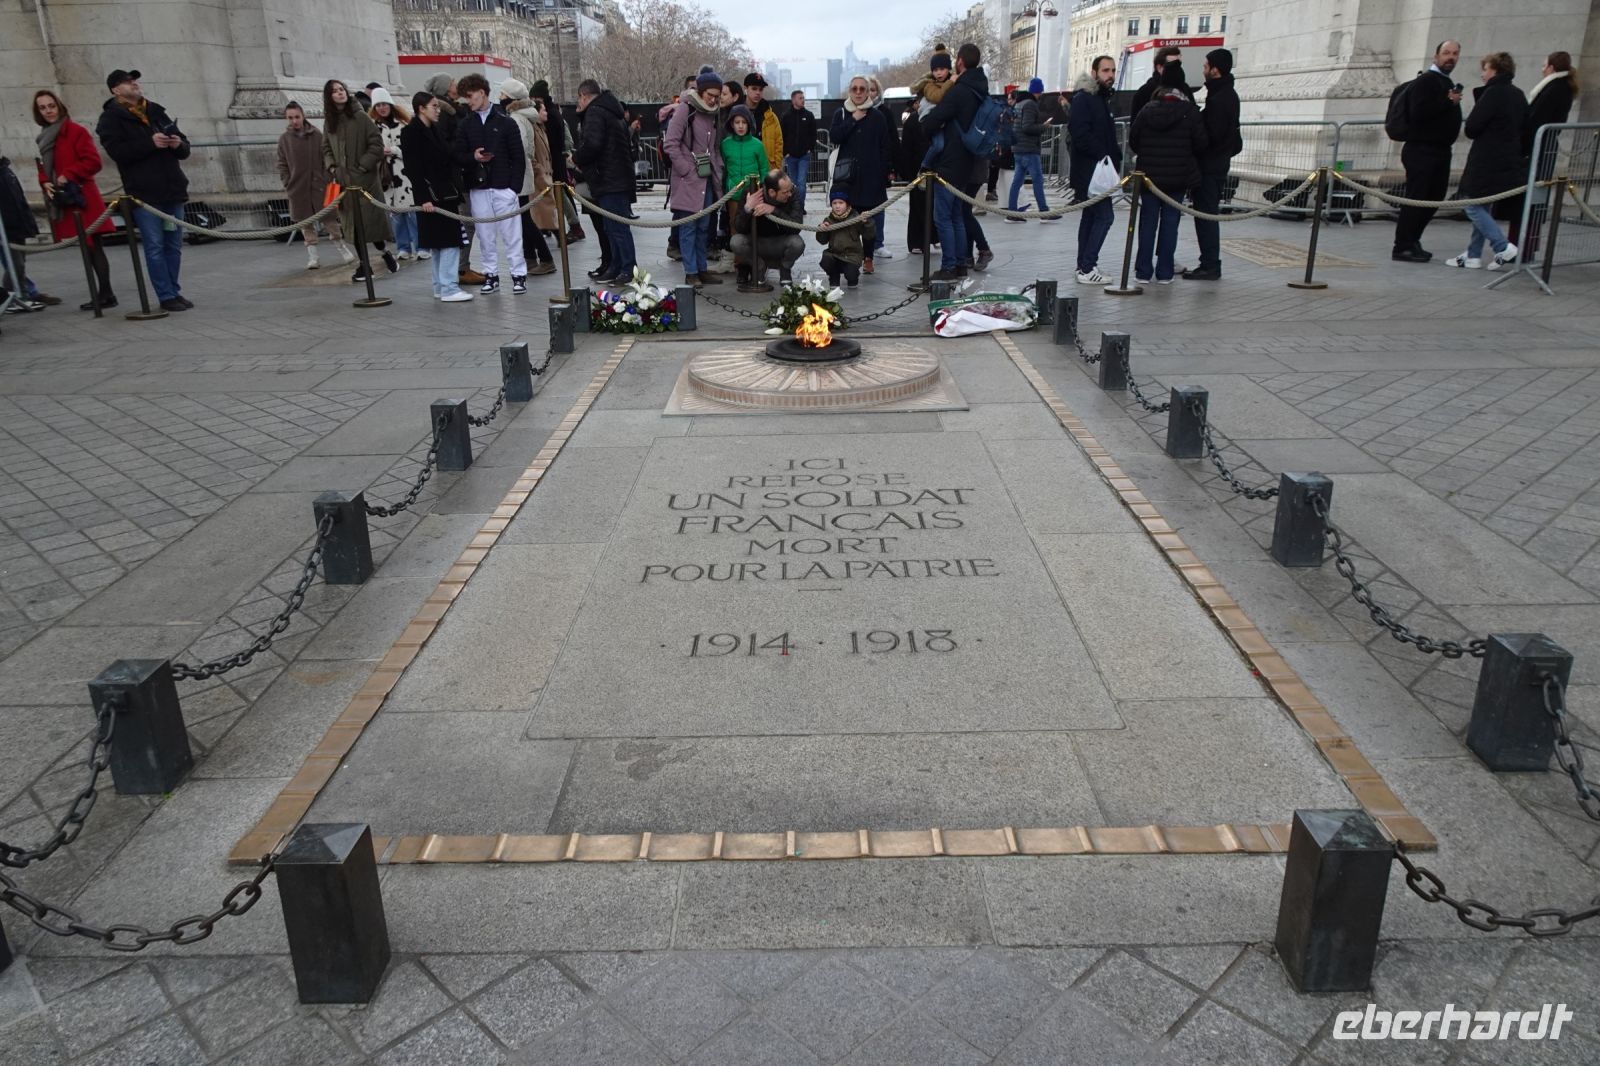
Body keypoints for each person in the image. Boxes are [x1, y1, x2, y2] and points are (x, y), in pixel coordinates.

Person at [95, 69, 192, 312]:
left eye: (135, 80)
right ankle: (165, 295)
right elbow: (118, 152)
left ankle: (174, 290)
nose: (134, 84)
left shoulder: (155, 110)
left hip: (172, 188)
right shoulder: (110, 119)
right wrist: (150, 143)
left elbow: (184, 146)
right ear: (116, 90)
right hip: (144, 194)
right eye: (128, 82)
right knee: (155, 246)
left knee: (173, 245)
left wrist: (177, 143)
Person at [31, 89, 115, 309]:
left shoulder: (75, 131)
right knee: (87, 248)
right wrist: (44, 182)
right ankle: (103, 294)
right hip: (63, 198)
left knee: (94, 246)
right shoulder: (45, 135)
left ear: (59, 106)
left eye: (51, 106)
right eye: (43, 107)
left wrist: (68, 174)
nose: (48, 111)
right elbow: (43, 167)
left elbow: (93, 162)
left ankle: (105, 294)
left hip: (82, 196)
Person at [1444, 52, 1527, 270]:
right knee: (1483, 205)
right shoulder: (1518, 94)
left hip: (1488, 158)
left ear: (1495, 70)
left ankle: (1502, 245)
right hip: (1508, 157)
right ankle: (1473, 254)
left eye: (1486, 69)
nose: (1482, 74)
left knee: (1471, 204)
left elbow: (1472, 127)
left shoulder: (1493, 93)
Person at [1129, 63, 1208, 284]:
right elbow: (1201, 143)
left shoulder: (1147, 109)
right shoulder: (1189, 112)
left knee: (1148, 223)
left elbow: (1134, 140)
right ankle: (1165, 272)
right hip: (1177, 177)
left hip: (1149, 177)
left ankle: (1143, 271)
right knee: (1170, 224)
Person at [453, 73, 527, 294]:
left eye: (470, 96)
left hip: (504, 186)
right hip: (478, 187)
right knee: (485, 235)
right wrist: (473, 157)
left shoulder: (506, 122)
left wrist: (513, 189)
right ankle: (491, 275)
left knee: (512, 234)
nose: (468, 101)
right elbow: (458, 155)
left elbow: (518, 157)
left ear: (482, 92)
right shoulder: (466, 124)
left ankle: (518, 275)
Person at [920, 44, 988, 281]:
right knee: (957, 215)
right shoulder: (979, 88)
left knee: (943, 218)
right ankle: (960, 264)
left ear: (959, 61)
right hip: (967, 161)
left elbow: (934, 119)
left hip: (950, 161)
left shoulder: (959, 91)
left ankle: (949, 266)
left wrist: (927, 125)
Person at [1393, 41, 1464, 262]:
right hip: (1422, 150)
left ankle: (1413, 240)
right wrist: (1448, 101)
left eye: (1455, 54)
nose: (1450, 57)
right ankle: (1403, 245)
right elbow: (1419, 112)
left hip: (1439, 150)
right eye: (1446, 53)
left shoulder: (1445, 81)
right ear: (1436, 56)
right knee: (1417, 197)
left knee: (1434, 196)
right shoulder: (1427, 81)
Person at [322, 78, 397, 283]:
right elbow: (326, 147)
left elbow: (376, 144)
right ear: (329, 97)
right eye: (335, 91)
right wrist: (332, 167)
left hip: (365, 182)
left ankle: (384, 253)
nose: (340, 93)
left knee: (371, 225)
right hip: (344, 182)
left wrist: (363, 166)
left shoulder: (361, 117)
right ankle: (365, 266)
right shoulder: (330, 121)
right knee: (353, 227)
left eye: (341, 89)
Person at [402, 92, 472, 302]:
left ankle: (441, 286)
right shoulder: (411, 133)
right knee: (447, 241)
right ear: (421, 108)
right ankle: (448, 287)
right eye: (434, 106)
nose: (438, 110)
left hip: (445, 193)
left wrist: (471, 157)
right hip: (431, 195)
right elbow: (413, 168)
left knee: (442, 242)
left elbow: (449, 155)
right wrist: (423, 198)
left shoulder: (435, 130)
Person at [664, 69, 727, 288]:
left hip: (706, 176)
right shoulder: (685, 109)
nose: (713, 100)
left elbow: (713, 146)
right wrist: (686, 169)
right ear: (700, 92)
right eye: (710, 95)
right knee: (689, 226)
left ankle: (701, 268)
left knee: (704, 227)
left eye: (717, 96)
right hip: (688, 178)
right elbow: (670, 143)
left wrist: (717, 170)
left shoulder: (713, 112)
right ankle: (691, 271)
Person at [1183, 48, 1242, 281]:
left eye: (1206, 66)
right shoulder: (1224, 94)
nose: (1204, 70)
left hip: (1210, 167)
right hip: (1216, 164)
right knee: (1206, 214)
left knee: (1206, 216)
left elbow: (1212, 138)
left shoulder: (1220, 99)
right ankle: (1209, 262)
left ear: (1215, 70)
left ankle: (1209, 264)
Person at [573, 78, 638, 286]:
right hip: (616, 177)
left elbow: (593, 144)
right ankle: (616, 267)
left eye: (579, 98)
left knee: (617, 228)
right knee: (612, 228)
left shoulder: (595, 112)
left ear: (584, 96)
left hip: (609, 178)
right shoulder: (611, 111)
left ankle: (627, 269)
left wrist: (576, 157)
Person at [276, 101, 353, 271]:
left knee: (330, 219)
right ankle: (313, 256)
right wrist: (288, 182)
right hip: (297, 187)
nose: (294, 121)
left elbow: (326, 155)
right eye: (290, 118)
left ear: (303, 116)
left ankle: (342, 248)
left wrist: (327, 177)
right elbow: (282, 163)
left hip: (321, 185)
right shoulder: (284, 139)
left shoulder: (316, 134)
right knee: (305, 222)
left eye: (297, 117)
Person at [424, 73, 485, 286]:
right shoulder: (445, 113)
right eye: (451, 82)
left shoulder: (454, 109)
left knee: (467, 222)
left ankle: (461, 266)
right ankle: (460, 268)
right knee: (466, 223)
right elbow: (446, 145)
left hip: (462, 172)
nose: (455, 84)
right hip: (456, 176)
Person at [831, 75, 896, 274]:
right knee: (846, 219)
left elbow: (885, 146)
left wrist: (886, 172)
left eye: (862, 89)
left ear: (868, 92)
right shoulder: (841, 113)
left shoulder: (877, 117)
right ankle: (848, 256)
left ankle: (868, 257)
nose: (858, 92)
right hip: (848, 177)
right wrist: (853, 119)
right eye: (855, 89)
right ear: (849, 91)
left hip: (871, 176)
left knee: (869, 222)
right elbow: (835, 136)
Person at [1067, 55, 1121, 285]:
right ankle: (1087, 266)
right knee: (1104, 217)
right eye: (1106, 70)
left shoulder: (1100, 99)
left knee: (1091, 217)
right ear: (1094, 72)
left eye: (1113, 70)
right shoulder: (1085, 99)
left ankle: (1084, 265)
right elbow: (1080, 134)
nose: (1110, 75)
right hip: (1092, 171)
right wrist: (1103, 154)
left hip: (1098, 170)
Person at [498, 79, 558, 277]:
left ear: (511, 97)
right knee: (523, 218)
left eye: (502, 94)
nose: (499, 98)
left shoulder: (517, 118)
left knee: (524, 218)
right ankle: (530, 257)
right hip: (522, 172)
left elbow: (521, 147)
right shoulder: (521, 116)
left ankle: (545, 258)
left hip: (519, 173)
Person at [369, 88, 420, 260]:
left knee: (412, 212)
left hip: (406, 174)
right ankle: (403, 247)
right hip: (387, 175)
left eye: (384, 104)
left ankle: (420, 246)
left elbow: (413, 148)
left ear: (390, 104)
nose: (382, 108)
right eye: (378, 105)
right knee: (395, 214)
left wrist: (395, 150)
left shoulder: (404, 124)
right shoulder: (374, 127)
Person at [531, 80, 584, 243]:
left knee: (559, 194)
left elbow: (555, 142)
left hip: (553, 163)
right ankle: (560, 229)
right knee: (559, 194)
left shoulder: (550, 115)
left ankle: (572, 227)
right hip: (553, 162)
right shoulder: (552, 112)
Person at [732, 170, 805, 284]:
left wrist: (774, 210)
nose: (789, 194)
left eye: (790, 190)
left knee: (797, 243)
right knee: (736, 242)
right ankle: (759, 266)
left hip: (781, 242)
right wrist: (747, 208)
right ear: (772, 192)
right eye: (785, 192)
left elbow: (796, 227)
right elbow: (739, 228)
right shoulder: (752, 192)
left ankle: (785, 268)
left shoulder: (793, 193)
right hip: (757, 242)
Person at [1, 154, 45, 313]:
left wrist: (28, 223)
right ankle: (12, 297)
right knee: (15, 264)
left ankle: (21, 295)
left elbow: (18, 199)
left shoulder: (6, 170)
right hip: (6, 227)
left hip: (17, 224)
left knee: (19, 263)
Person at [1007, 78, 1052, 216]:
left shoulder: (1019, 103)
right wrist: (1044, 127)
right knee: (1038, 179)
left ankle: (1012, 212)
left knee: (1017, 182)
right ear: (1038, 91)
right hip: (1029, 148)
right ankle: (1044, 211)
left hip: (1018, 148)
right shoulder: (1030, 104)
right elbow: (1027, 127)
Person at [817, 187, 865, 287]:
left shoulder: (856, 218)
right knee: (826, 260)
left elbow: (869, 234)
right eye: (834, 203)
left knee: (851, 277)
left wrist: (867, 222)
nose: (837, 206)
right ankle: (834, 276)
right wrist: (822, 230)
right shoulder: (828, 220)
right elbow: (822, 241)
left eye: (841, 203)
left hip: (851, 256)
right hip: (835, 254)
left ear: (847, 204)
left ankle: (853, 275)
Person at [779, 90, 817, 210]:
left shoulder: (809, 115)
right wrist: (785, 152)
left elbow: (813, 134)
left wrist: (810, 149)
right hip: (791, 157)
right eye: (800, 98)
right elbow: (781, 135)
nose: (803, 100)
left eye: (803, 97)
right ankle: (794, 206)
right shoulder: (786, 116)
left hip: (804, 156)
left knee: (801, 182)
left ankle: (800, 207)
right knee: (792, 183)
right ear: (793, 100)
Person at [743, 74, 784, 174]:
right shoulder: (736, 113)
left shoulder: (771, 117)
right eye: (754, 88)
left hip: (765, 169)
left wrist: (776, 166)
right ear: (745, 89)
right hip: (742, 167)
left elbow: (778, 143)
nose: (758, 92)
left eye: (760, 89)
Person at [1130, 46, 1183, 118]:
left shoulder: (1184, 89)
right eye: (1172, 66)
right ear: (1159, 68)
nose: (1177, 69)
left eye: (1179, 65)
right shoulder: (1144, 93)